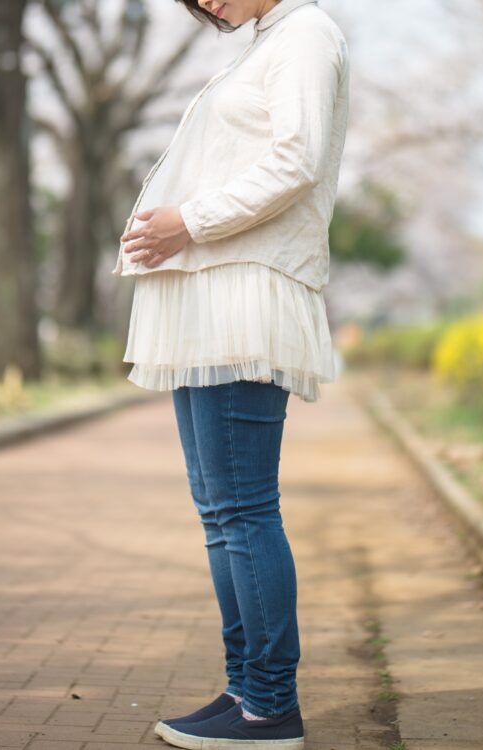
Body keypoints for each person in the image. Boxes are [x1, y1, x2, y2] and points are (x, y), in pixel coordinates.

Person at [111, 0, 349, 746]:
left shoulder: (306, 33)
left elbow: (296, 160)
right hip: (210, 297)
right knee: (222, 514)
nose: (206, 4)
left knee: (244, 509)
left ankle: (271, 706)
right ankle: (246, 687)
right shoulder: (260, 45)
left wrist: (189, 221)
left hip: (244, 295)